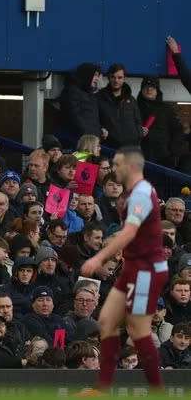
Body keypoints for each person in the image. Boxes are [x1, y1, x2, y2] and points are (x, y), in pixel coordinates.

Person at [79, 147, 168, 392]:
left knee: (138, 330)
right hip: (134, 268)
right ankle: (102, 389)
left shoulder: (140, 194)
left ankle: (157, 392)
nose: (113, 169)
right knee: (106, 322)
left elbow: (130, 232)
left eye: (117, 165)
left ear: (130, 167)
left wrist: (98, 258)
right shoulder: (134, 193)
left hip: (146, 271)